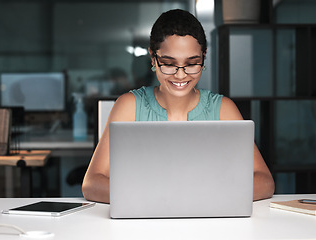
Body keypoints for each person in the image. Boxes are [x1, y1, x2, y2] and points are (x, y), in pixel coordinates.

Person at [82, 9, 275, 204]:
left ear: (203, 57)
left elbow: (264, 181)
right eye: (168, 63)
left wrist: (196, 197)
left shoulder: (223, 109)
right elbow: (92, 184)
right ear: (153, 57)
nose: (181, 75)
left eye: (192, 63)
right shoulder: (129, 106)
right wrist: (162, 199)